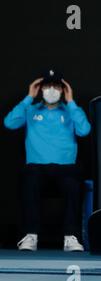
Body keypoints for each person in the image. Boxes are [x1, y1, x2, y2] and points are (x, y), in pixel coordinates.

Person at [4, 69, 91, 251]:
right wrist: (29, 96)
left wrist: (71, 101)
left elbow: (84, 130)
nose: (51, 89)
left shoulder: (71, 111)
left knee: (74, 184)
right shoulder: (30, 110)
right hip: (37, 168)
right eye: (48, 85)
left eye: (56, 86)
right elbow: (10, 123)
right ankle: (30, 236)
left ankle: (71, 237)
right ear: (41, 88)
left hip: (65, 169)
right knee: (29, 179)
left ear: (62, 89)